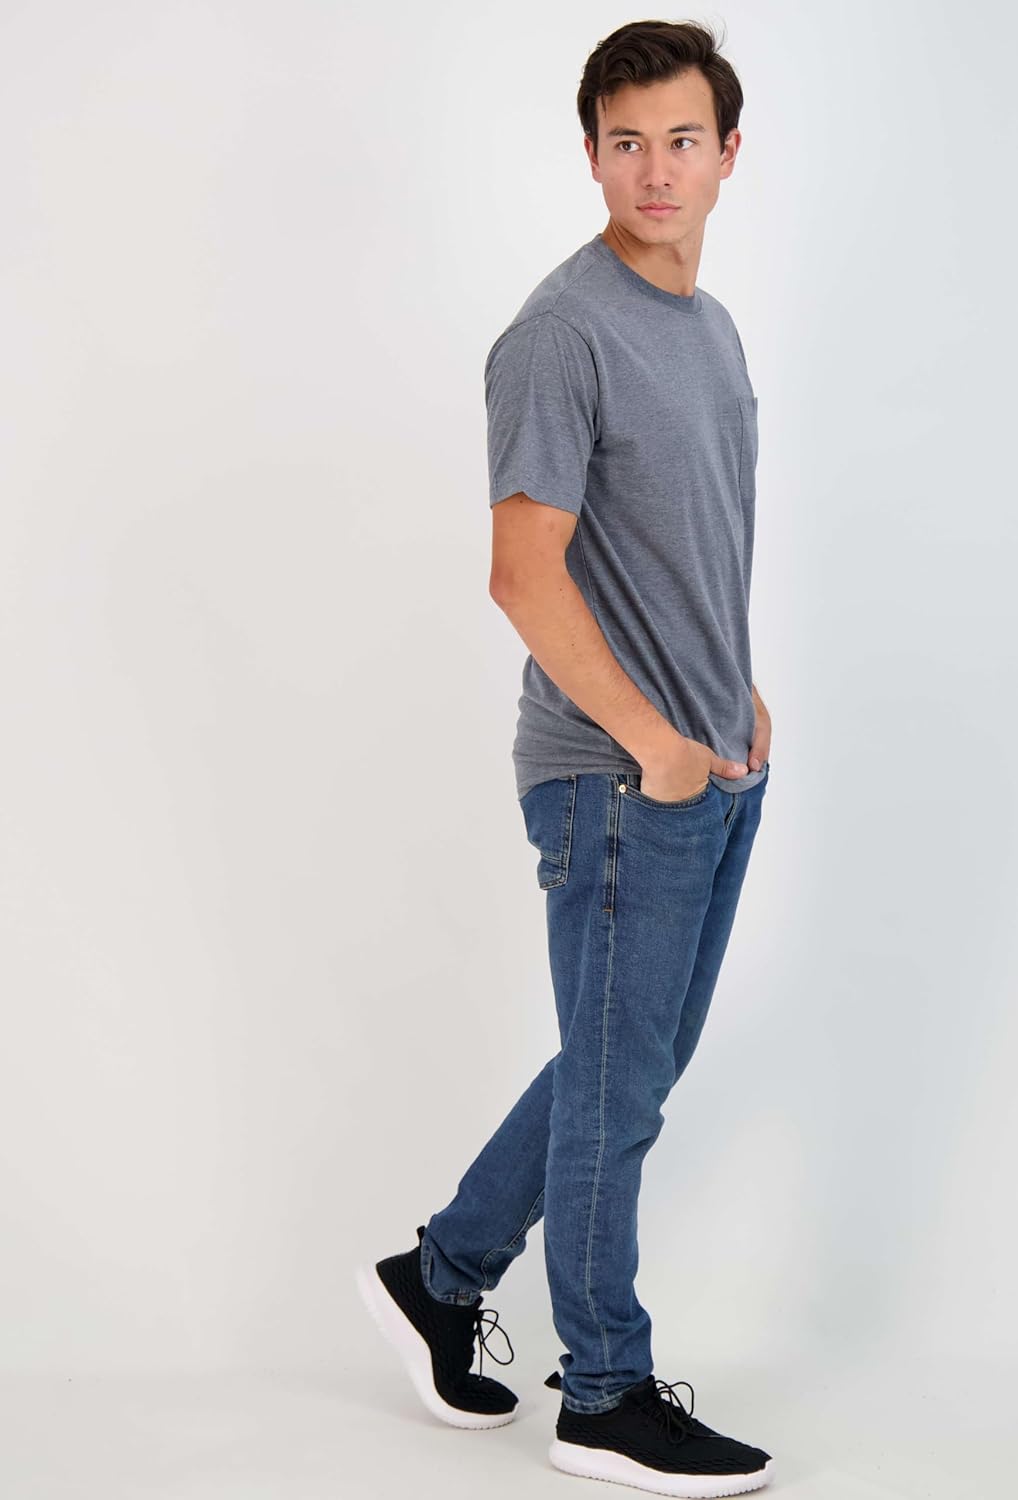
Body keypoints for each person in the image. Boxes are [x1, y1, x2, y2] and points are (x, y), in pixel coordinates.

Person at [358, 19, 775, 1496]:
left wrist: (736, 696)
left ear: (729, 153)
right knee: (618, 1088)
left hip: (708, 761)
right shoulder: (561, 333)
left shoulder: (709, 328)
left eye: (682, 140)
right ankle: (602, 1392)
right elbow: (522, 573)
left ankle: (441, 1276)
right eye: (626, 142)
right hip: (614, 776)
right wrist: (654, 738)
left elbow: (681, 542)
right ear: (590, 155)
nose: (656, 170)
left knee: (624, 1067)